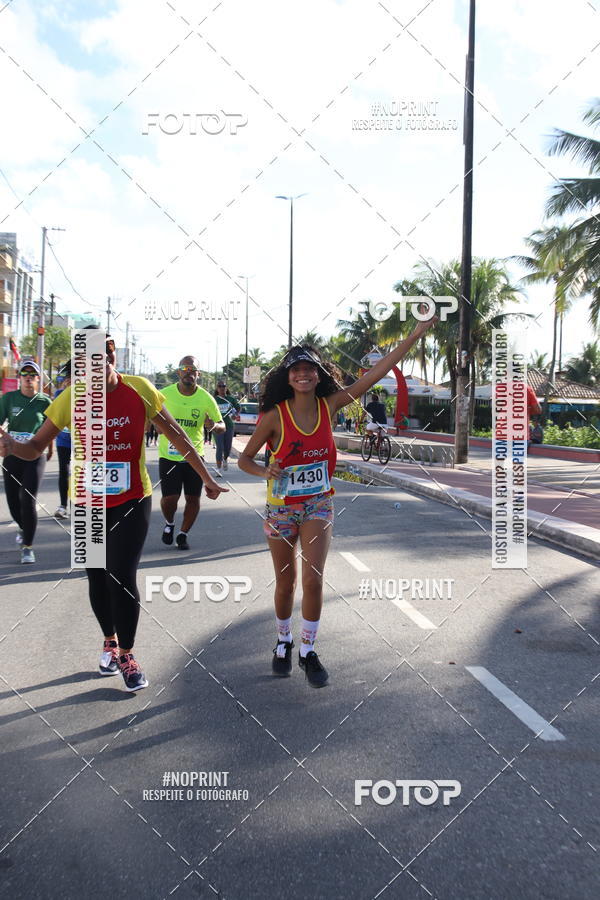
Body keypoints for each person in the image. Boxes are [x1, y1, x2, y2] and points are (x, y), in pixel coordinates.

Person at [0, 334, 227, 691]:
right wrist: (12, 445)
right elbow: (36, 448)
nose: (92, 370)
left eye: (100, 360)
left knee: (121, 575)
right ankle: (109, 639)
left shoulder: (140, 390)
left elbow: (178, 434)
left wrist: (205, 476)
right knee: (96, 577)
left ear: (112, 359)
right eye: (84, 365)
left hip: (133, 499)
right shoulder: (69, 399)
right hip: (88, 504)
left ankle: (127, 653)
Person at [238, 318, 435, 688]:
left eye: (309, 369)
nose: (303, 375)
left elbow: (374, 375)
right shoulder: (273, 417)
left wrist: (414, 334)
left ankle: (308, 651)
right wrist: (266, 472)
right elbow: (244, 460)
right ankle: (283, 641)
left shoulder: (331, 405)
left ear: (318, 375)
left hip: (318, 504)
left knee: (312, 580)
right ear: (288, 377)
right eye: (296, 370)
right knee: (286, 582)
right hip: (281, 507)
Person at [158, 356, 225, 550]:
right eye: (185, 368)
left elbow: (221, 425)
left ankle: (183, 533)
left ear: (198, 374)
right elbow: (149, 414)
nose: (189, 372)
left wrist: (214, 426)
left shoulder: (206, 398)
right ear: (179, 372)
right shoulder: (164, 394)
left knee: (192, 498)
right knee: (170, 498)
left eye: (192, 369)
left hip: (195, 456)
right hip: (169, 455)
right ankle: (170, 523)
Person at [0, 359, 53, 563]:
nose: (28, 378)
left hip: (34, 455)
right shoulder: (9, 398)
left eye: (32, 375)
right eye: (25, 375)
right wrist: (4, 439)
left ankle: (28, 546)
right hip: (13, 454)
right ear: (19, 378)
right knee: (13, 501)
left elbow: (52, 427)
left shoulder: (45, 402)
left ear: (38, 379)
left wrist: (49, 448)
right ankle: (23, 528)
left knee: (28, 499)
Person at [214, 380, 240, 473]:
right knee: (219, 447)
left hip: (229, 425)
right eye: (220, 386)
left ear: (226, 388)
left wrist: (235, 415)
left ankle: (225, 459)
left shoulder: (231, 399)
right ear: (217, 388)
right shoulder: (214, 399)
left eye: (224, 386)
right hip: (217, 425)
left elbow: (238, 408)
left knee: (227, 447)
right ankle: (218, 468)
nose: (222, 388)